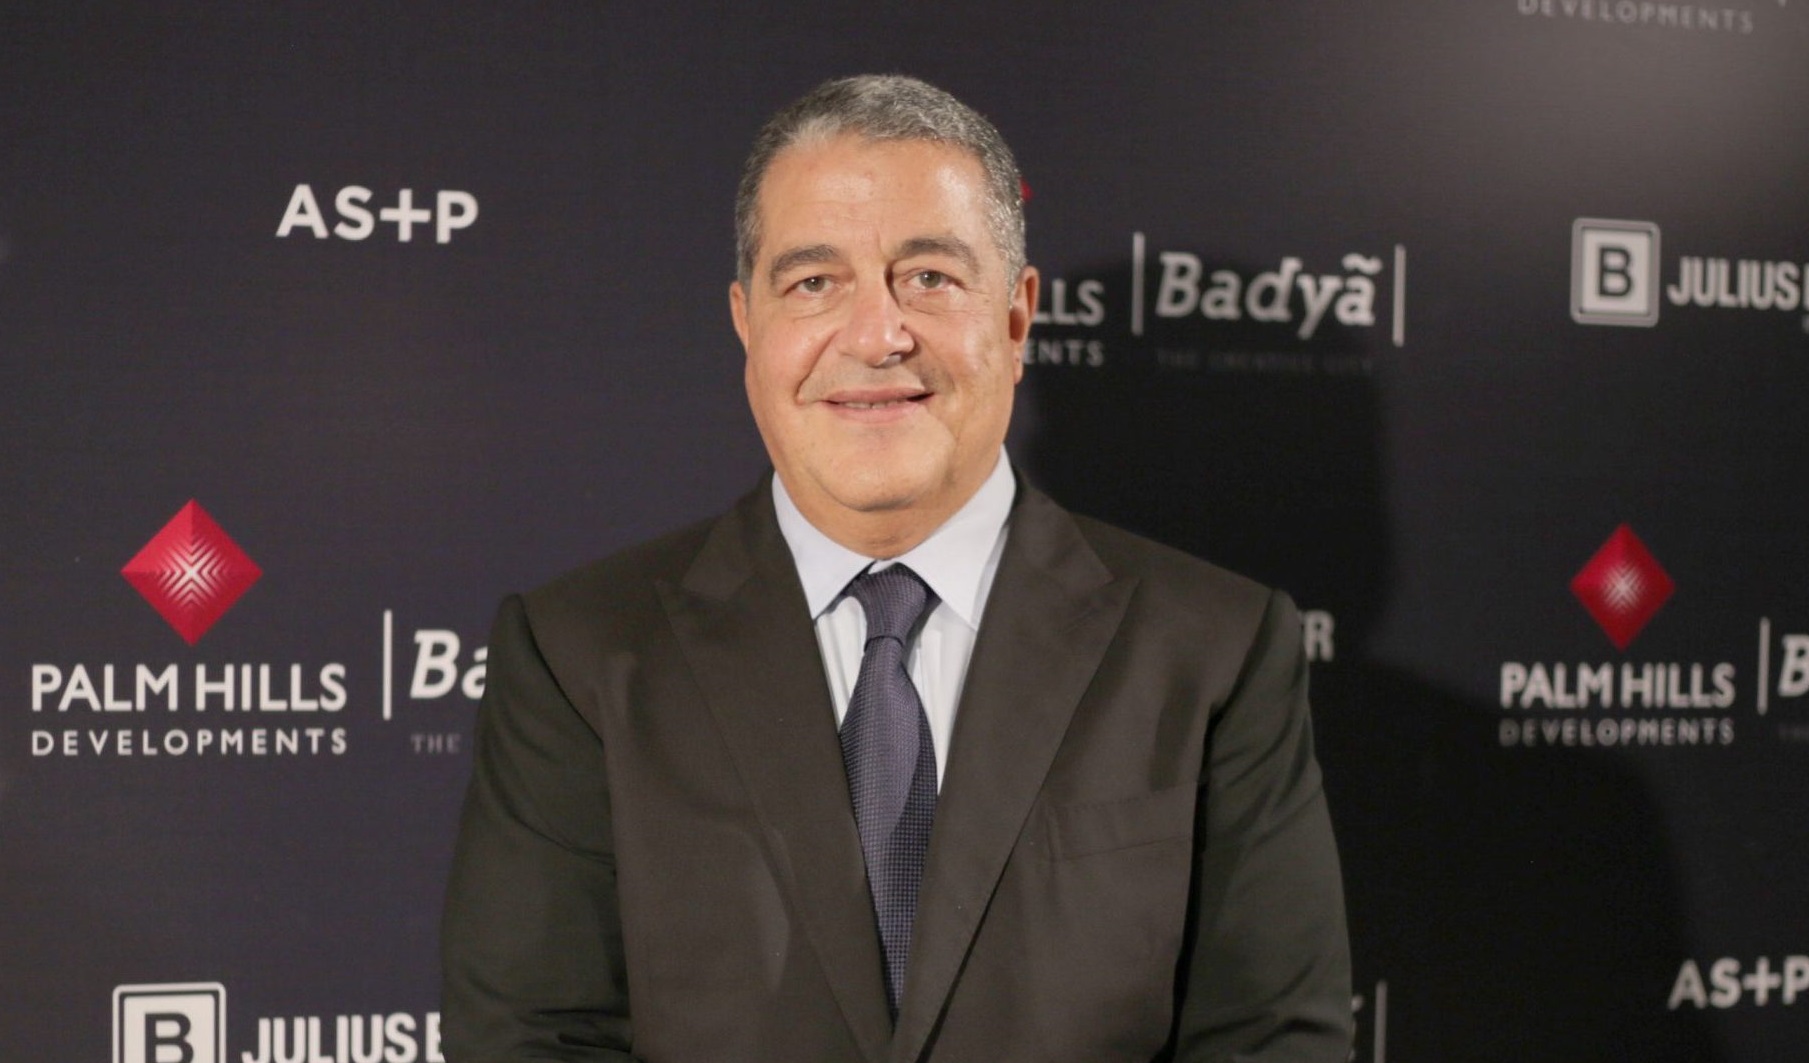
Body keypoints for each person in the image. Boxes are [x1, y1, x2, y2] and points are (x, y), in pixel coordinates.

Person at [441, 74, 1351, 1063]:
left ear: (1016, 316)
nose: (877, 336)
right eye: (813, 283)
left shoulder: (1213, 649)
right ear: (747, 323)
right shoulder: (580, 654)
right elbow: (531, 1039)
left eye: (928, 276)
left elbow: (1268, 1042)